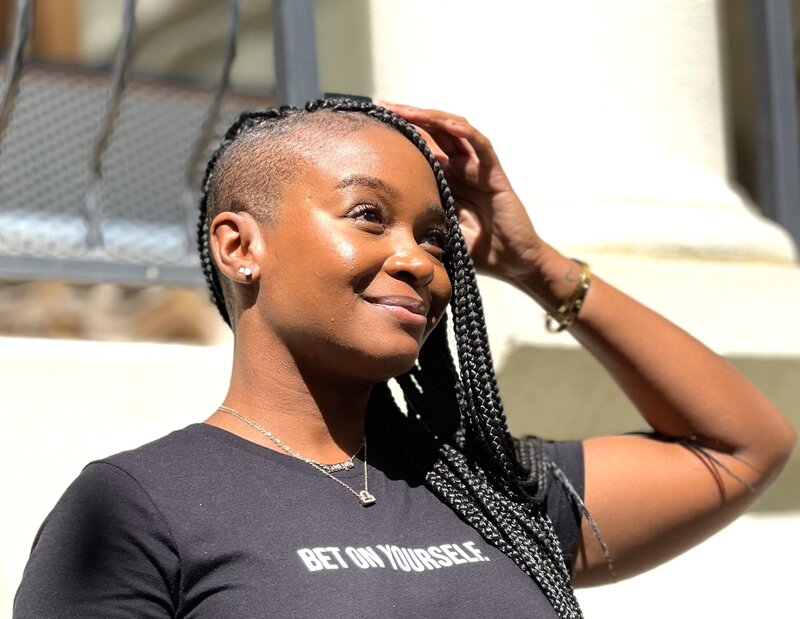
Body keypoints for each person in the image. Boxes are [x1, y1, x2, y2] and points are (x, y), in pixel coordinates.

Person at [13, 97, 796, 618]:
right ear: (239, 246)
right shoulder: (137, 507)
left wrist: (535, 264)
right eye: (369, 216)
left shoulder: (490, 488)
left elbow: (743, 445)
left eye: (433, 234)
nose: (420, 260)